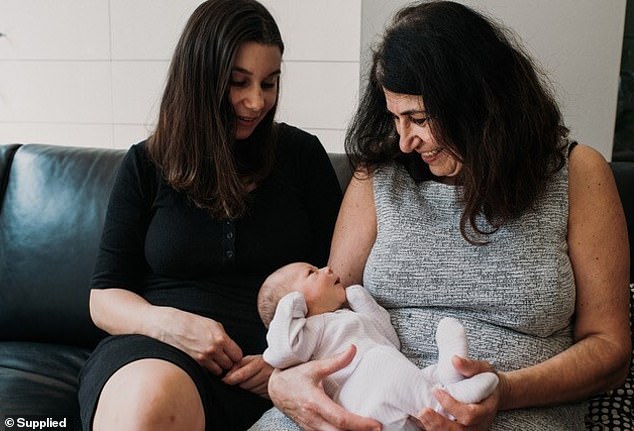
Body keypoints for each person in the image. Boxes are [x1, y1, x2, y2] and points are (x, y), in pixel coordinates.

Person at [251, 1, 631, 430]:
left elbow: (610, 348)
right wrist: (285, 383)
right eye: (395, 118)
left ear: (479, 104)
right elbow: (324, 309)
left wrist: (501, 389)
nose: (405, 141)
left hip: (512, 412)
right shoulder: (378, 175)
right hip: (363, 401)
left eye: (419, 118)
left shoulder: (577, 175)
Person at [77, 1, 343, 430]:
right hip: (158, 352)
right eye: (239, 82)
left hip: (273, 369)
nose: (257, 101)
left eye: (269, 83)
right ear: (200, 78)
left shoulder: (301, 157)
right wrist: (173, 326)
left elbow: (341, 279)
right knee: (149, 404)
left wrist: (286, 362)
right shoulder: (147, 164)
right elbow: (104, 298)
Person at [258, 262, 499, 430]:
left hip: (391, 402)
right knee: (380, 360)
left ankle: (449, 374)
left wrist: (364, 303)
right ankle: (446, 404)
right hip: (362, 405)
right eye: (312, 272)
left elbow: (390, 341)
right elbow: (280, 353)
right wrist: (290, 305)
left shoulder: (346, 317)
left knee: (400, 364)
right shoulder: (310, 330)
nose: (327, 269)